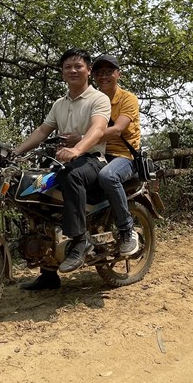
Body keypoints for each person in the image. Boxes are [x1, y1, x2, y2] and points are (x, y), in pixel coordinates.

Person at [13, 49, 111, 290]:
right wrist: (15, 152)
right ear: (62, 72)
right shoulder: (59, 104)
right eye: (68, 67)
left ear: (88, 70)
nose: (73, 70)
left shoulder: (98, 99)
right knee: (36, 194)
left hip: (91, 160)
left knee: (72, 176)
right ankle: (48, 272)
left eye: (78, 66)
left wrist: (78, 149)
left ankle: (80, 240)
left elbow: (97, 130)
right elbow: (42, 131)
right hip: (65, 161)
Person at [64, 54, 142, 257]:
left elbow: (117, 130)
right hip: (97, 155)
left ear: (118, 74)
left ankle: (126, 229)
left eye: (109, 72)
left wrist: (80, 138)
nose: (104, 76)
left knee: (108, 176)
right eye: (100, 72)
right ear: (93, 75)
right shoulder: (91, 98)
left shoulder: (127, 99)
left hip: (123, 157)